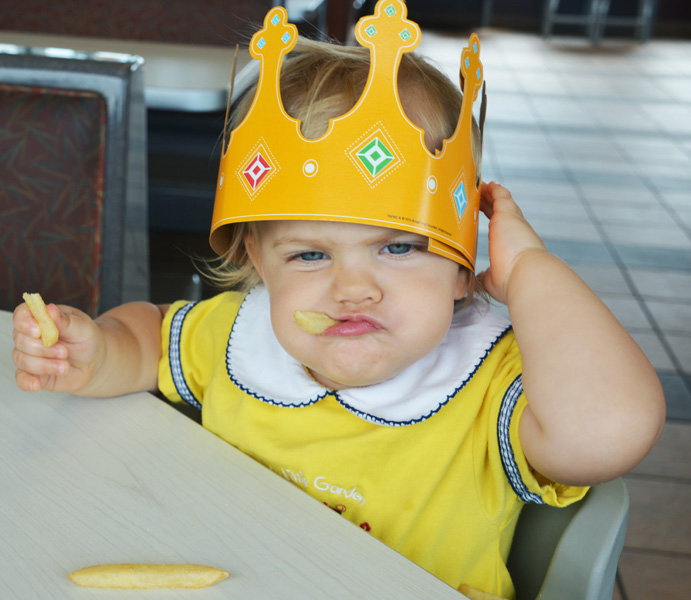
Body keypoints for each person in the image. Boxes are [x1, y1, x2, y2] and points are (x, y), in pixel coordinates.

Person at [12, 4, 664, 599]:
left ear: (464, 266)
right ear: (255, 264)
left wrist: (530, 274)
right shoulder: (240, 338)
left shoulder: (488, 382)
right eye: (310, 255)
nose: (353, 288)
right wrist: (100, 353)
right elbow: (151, 334)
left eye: (399, 248)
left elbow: (609, 429)